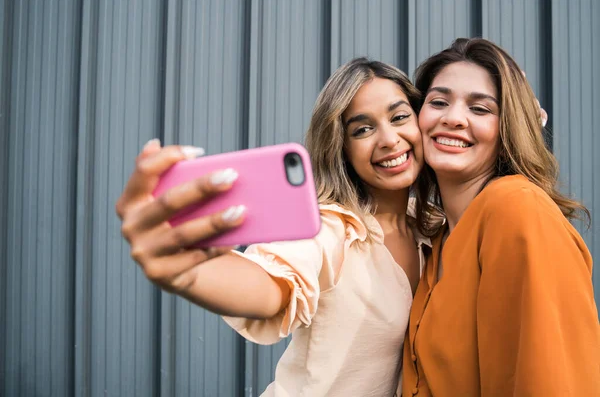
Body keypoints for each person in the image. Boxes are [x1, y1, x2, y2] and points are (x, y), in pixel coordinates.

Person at [116, 58, 430, 396]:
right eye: (362, 129)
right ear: (342, 147)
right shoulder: (330, 229)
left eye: (399, 117)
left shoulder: (433, 228)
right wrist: (190, 274)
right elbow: (270, 285)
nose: (388, 139)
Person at [403, 37, 600, 396]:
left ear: (508, 126)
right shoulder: (437, 238)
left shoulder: (516, 209)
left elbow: (550, 381)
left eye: (480, 109)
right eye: (439, 102)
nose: (453, 118)